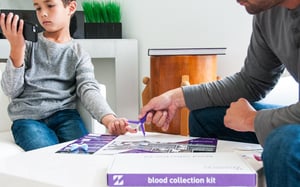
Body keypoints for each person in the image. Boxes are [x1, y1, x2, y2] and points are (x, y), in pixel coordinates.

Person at [140, 0, 300, 186]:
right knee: (204, 117)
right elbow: (252, 82)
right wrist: (175, 98)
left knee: (284, 144)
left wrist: (251, 120)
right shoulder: (267, 13)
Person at [0, 0, 136, 151]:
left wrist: (109, 119)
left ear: (70, 8)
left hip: (65, 116)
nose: (43, 13)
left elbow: (88, 89)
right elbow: (11, 90)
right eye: (38, 8)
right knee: (47, 154)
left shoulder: (78, 54)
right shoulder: (27, 45)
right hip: (28, 119)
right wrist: (16, 49)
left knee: (84, 153)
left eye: (50, 6)